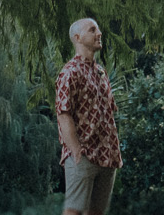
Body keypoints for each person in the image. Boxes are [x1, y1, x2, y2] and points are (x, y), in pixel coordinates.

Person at [56, 16, 121, 215]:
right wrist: (76, 151)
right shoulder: (69, 73)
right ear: (77, 37)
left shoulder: (101, 72)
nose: (99, 34)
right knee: (74, 211)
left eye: (98, 30)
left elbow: (110, 110)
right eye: (92, 30)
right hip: (83, 155)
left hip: (107, 156)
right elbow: (63, 114)